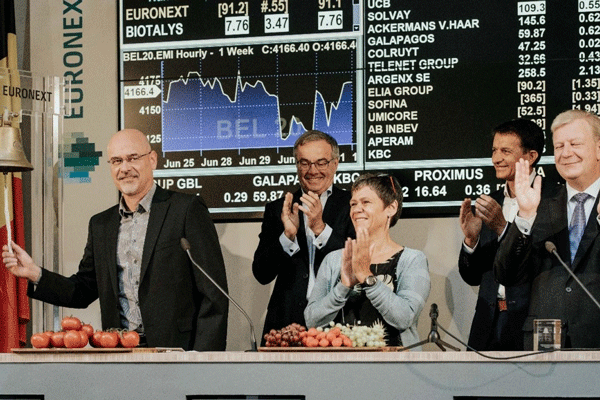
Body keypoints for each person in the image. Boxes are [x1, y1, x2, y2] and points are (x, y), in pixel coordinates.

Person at [2, 129, 229, 351]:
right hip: (120, 353)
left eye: (133, 158)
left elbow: (214, 295)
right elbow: (82, 290)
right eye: (117, 161)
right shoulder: (101, 225)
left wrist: (201, 360)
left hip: (178, 353)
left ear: (152, 160)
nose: (124, 168)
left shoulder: (186, 210)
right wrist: (35, 273)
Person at [494, 109, 600, 349]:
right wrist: (525, 216)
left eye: (575, 144)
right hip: (545, 345)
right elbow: (506, 274)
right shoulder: (539, 204)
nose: (566, 153)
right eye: (559, 146)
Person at [304, 173, 430, 349]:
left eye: (366, 202)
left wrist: (366, 277)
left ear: (391, 208)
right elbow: (311, 320)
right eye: (353, 204)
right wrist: (343, 287)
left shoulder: (412, 260)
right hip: (342, 362)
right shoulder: (334, 260)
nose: (357, 209)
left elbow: (404, 318)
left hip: (397, 363)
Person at [252, 130, 355, 342]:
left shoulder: (353, 205)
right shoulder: (278, 209)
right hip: (286, 325)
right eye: (304, 163)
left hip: (338, 322)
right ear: (297, 165)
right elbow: (262, 273)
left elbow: (355, 265)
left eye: (321, 162)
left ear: (335, 164)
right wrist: (287, 236)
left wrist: (320, 229)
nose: (312, 170)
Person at [459, 119, 551, 351]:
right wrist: (471, 241)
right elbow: (473, 277)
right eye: (494, 150)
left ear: (531, 156)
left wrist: (502, 228)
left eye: (505, 151)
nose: (496, 158)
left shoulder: (553, 202)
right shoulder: (489, 203)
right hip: (487, 324)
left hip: (529, 323)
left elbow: (539, 264)